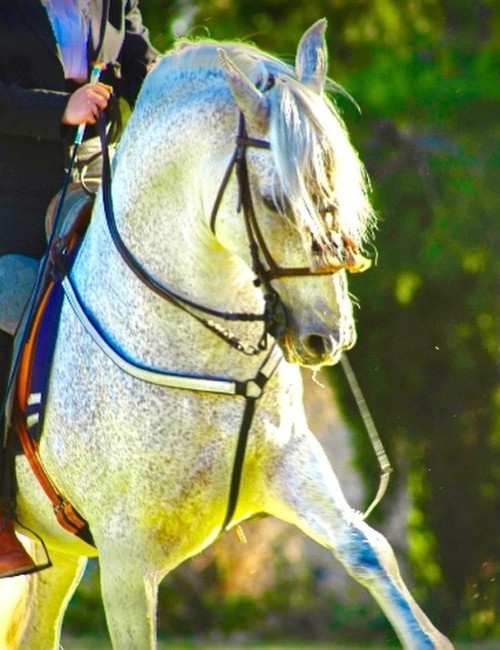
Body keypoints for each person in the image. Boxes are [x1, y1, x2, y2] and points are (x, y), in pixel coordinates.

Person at [0, 0, 160, 578]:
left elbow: (147, 70)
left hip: (93, 186)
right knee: (4, 314)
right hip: (9, 197)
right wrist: (59, 110)